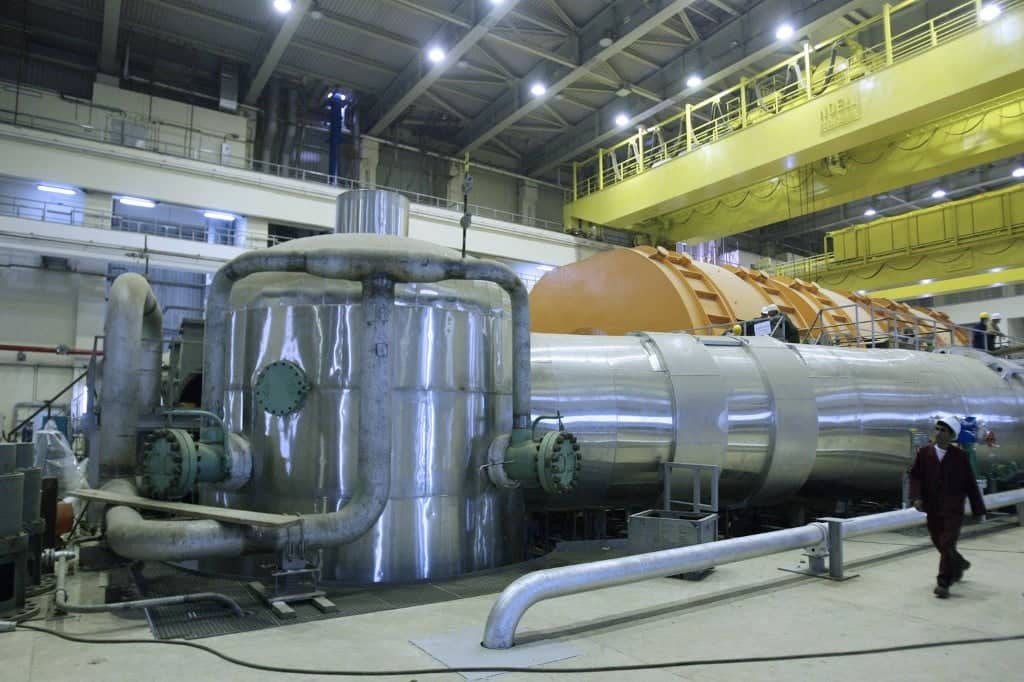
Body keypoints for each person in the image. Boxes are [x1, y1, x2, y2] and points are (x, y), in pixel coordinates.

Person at [908, 415, 986, 599]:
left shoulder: (960, 457)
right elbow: (915, 476)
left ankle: (943, 583)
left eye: (944, 431)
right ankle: (959, 563)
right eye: (937, 429)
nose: (939, 433)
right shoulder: (924, 453)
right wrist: (916, 497)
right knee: (938, 542)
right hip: (932, 507)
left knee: (946, 543)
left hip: (953, 508)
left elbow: (970, 483)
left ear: (952, 435)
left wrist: (978, 509)